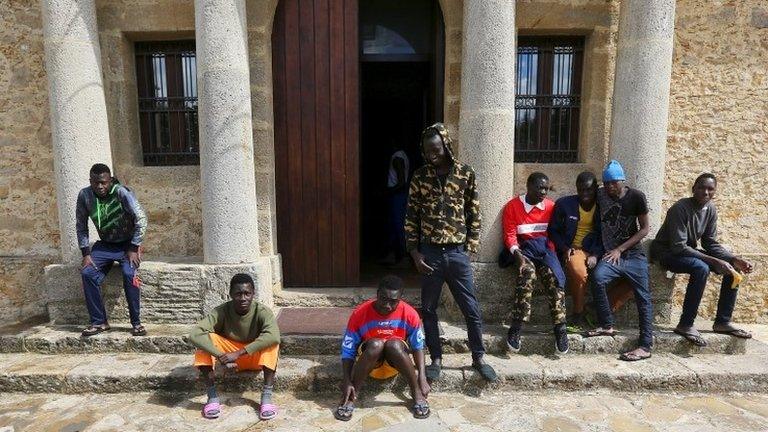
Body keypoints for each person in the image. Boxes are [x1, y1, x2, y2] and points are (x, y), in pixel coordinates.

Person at [404, 122, 497, 382]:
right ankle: (436, 358)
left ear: (445, 146)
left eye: (435, 148)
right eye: (426, 150)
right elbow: (411, 215)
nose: (430, 153)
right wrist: (414, 253)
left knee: (471, 308)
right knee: (429, 309)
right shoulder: (420, 177)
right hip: (430, 254)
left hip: (457, 253)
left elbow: (474, 212)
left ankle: (478, 357)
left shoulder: (465, 174)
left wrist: (470, 249)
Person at [651, 173, 755, 345]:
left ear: (715, 192)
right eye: (701, 187)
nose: (705, 192)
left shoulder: (710, 209)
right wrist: (714, 261)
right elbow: (678, 246)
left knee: (732, 268)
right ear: (693, 189)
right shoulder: (680, 208)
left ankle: (722, 321)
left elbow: (710, 242)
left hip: (687, 250)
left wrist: (733, 259)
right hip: (667, 252)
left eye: (710, 189)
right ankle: (685, 324)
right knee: (701, 268)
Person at [585, 160, 654, 362]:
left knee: (644, 297)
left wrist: (620, 249)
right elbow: (584, 194)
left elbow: (645, 229)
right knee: (598, 278)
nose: (610, 187)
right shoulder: (601, 194)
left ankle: (645, 346)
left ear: (622, 181)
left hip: (632, 254)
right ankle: (607, 325)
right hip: (610, 254)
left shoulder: (636, 197)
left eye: (614, 183)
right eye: (606, 183)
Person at [335, 275, 430, 421]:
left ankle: (416, 392)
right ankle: (352, 396)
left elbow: (418, 346)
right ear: (377, 294)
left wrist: (422, 378)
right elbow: (348, 350)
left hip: (395, 363)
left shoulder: (410, 313)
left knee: (393, 344)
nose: (387, 305)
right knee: (376, 344)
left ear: (400, 299)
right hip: (371, 362)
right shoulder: (359, 313)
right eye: (384, 299)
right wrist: (347, 381)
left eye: (393, 302)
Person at [548, 171, 634, 330]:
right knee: (579, 272)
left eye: (589, 190)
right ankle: (578, 313)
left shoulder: (605, 206)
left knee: (635, 279)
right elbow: (553, 231)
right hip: (575, 249)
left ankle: (596, 309)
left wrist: (595, 254)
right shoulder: (564, 204)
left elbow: (607, 233)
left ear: (596, 188)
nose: (585, 194)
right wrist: (565, 248)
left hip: (601, 249)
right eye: (581, 190)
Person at [189, 273, 281, 420]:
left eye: (247, 293)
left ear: (253, 294)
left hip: (253, 358)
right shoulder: (221, 311)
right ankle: (212, 397)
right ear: (230, 294)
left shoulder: (262, 311)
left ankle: (266, 398)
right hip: (228, 357)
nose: (243, 298)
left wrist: (238, 353)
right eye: (238, 294)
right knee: (204, 343)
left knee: (272, 343)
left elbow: (274, 336)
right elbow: (195, 334)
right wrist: (220, 355)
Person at [77, 163, 148, 337]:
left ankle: (136, 323)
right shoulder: (84, 195)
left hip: (127, 245)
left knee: (129, 274)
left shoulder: (122, 192)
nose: (100, 186)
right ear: (90, 181)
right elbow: (81, 226)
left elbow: (141, 219)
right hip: (105, 245)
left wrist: (134, 247)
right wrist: (86, 253)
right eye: (96, 183)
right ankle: (99, 322)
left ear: (110, 181)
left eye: (104, 182)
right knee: (87, 273)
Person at [502, 172, 569, 355]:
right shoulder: (513, 206)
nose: (543, 192)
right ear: (528, 187)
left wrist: (554, 253)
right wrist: (517, 254)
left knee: (554, 277)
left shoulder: (550, 207)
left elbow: (555, 233)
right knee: (527, 274)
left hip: (546, 250)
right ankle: (516, 327)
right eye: (539, 188)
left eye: (546, 188)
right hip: (524, 250)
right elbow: (509, 235)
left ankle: (560, 329)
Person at [381, 140, 410, 266]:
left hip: (397, 196)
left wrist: (389, 192)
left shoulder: (397, 158)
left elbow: (402, 182)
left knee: (398, 226)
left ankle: (404, 257)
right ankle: (391, 255)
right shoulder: (403, 155)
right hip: (399, 195)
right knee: (393, 225)